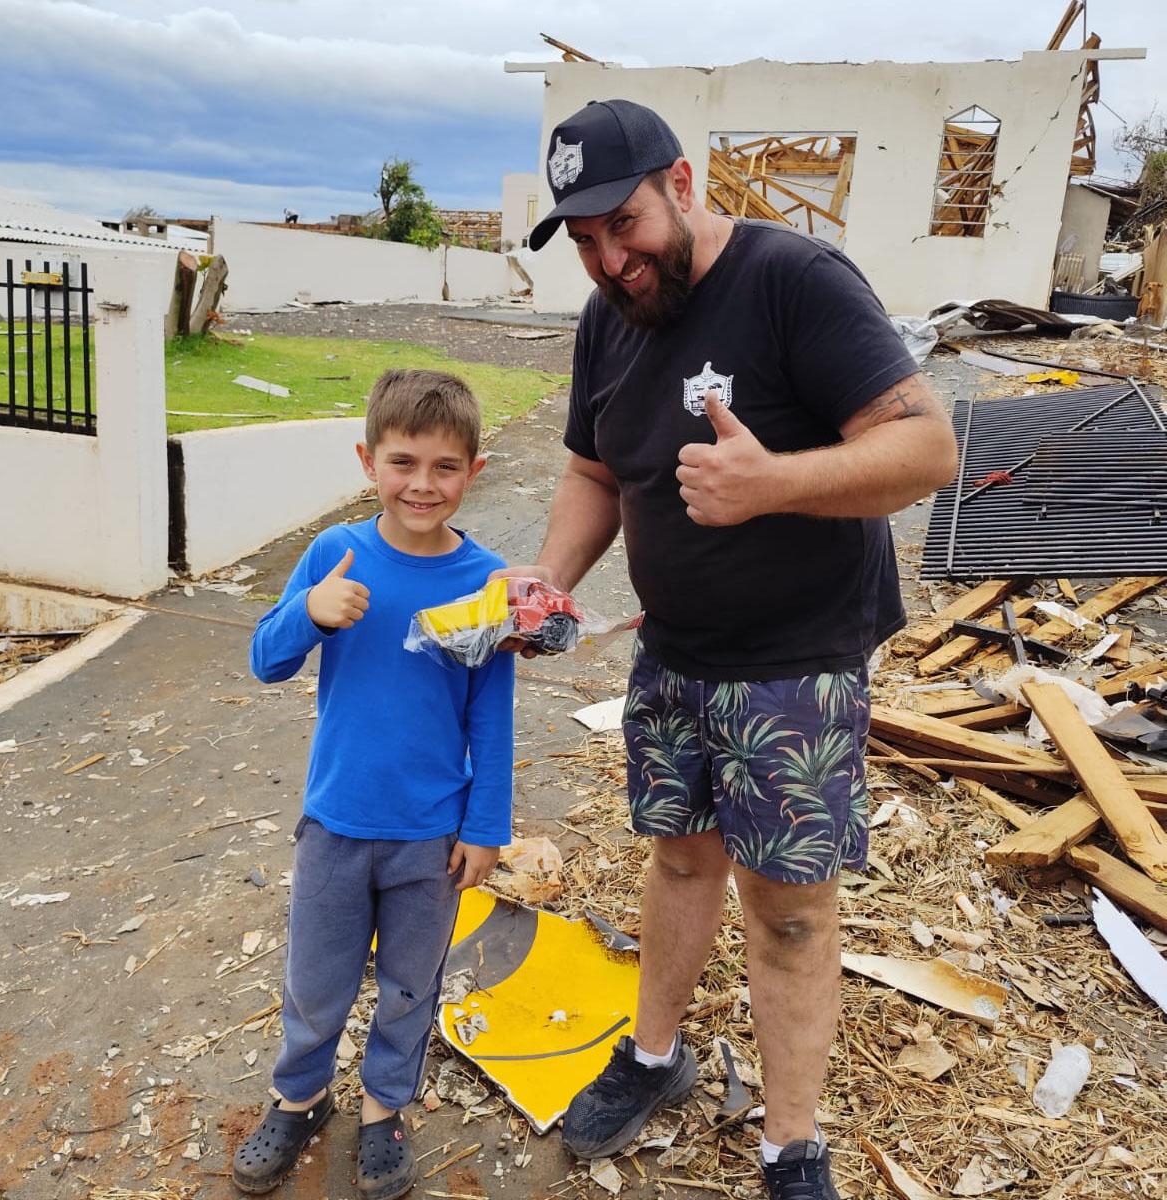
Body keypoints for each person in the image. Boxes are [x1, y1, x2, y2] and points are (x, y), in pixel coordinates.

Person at [504, 99, 959, 1200]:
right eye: (585, 240)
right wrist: (550, 580)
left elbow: (927, 447)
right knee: (679, 859)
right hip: (674, 656)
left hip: (796, 665)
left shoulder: (796, 280)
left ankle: (791, 1145)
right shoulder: (610, 317)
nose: (611, 259)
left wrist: (774, 484)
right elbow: (593, 472)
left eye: (625, 224)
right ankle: (656, 1059)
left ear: (684, 184)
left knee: (791, 908)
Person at [233, 369, 515, 1198]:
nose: (421, 485)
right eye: (402, 463)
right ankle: (301, 1096)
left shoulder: (485, 577)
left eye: (444, 467)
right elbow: (266, 660)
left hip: (430, 834)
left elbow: (490, 712)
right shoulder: (334, 555)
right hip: (337, 821)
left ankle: (384, 1107)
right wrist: (310, 611)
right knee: (316, 979)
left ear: (475, 471)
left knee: (408, 986)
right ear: (367, 461)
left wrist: (485, 825)